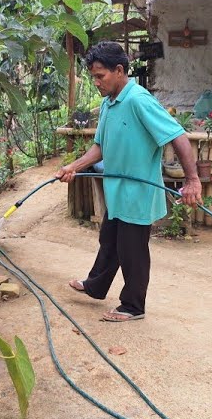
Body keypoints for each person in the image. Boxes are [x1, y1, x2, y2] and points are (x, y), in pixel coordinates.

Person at [55, 41, 202, 322]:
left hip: (138, 192)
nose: (96, 82)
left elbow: (178, 136)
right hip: (117, 190)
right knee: (109, 240)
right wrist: (73, 166)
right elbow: (100, 147)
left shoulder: (138, 100)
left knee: (132, 251)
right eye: (93, 77)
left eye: (100, 76)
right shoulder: (109, 103)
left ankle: (133, 306)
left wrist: (193, 180)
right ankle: (96, 286)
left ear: (119, 70)